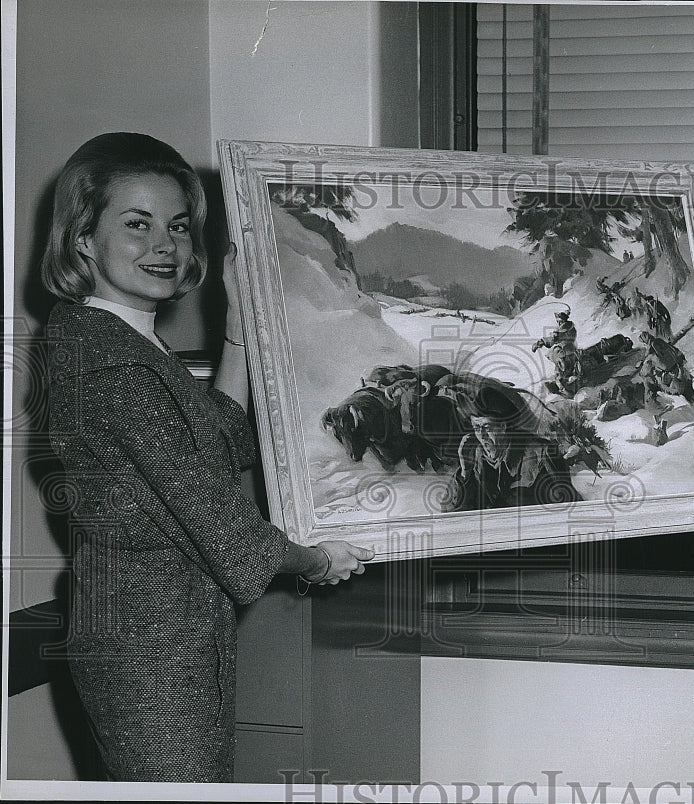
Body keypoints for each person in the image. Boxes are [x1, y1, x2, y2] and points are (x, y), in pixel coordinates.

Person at [42, 133, 375, 783]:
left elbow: (218, 438)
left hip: (160, 639)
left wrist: (237, 331)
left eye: (178, 226)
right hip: (152, 657)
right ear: (82, 237)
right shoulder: (118, 371)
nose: (164, 245)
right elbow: (231, 535)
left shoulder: (113, 340)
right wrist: (320, 558)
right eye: (136, 225)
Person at [442, 386, 582, 511]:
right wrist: (465, 473)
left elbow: (568, 508)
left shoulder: (542, 453)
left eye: (487, 427)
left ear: (504, 426)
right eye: (476, 428)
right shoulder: (476, 456)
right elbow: (449, 513)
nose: (482, 436)